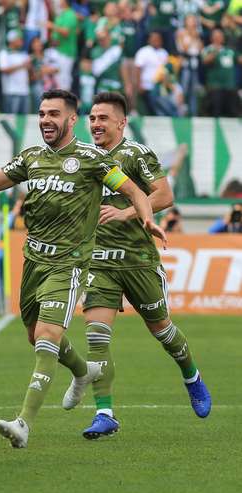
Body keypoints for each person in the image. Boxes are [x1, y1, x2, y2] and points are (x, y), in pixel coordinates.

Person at [0, 89, 167, 448]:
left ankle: (23, 423)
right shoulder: (30, 158)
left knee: (48, 337)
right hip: (34, 261)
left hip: (69, 264)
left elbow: (135, 192)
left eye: (53, 114)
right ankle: (83, 372)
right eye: (41, 113)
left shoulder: (92, 159)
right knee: (35, 335)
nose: (45, 120)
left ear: (71, 119)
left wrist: (146, 219)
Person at [74, 92, 211, 439]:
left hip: (138, 260)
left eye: (103, 118)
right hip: (100, 264)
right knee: (96, 335)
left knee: (163, 332)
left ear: (121, 122)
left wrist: (127, 212)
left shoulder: (135, 154)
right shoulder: (83, 158)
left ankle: (191, 376)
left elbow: (164, 195)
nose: (95, 124)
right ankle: (104, 413)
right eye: (92, 118)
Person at [135, 32, 177, 116]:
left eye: (157, 38)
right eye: (153, 38)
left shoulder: (164, 53)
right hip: (147, 86)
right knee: (149, 110)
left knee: (160, 109)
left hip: (160, 87)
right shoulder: (143, 51)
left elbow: (167, 70)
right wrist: (139, 84)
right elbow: (138, 69)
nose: (155, 40)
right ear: (149, 40)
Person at [201, 29, 241, 117]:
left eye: (220, 36)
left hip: (230, 86)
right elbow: (205, 61)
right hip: (215, 87)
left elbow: (239, 59)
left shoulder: (229, 50)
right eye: (216, 36)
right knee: (216, 111)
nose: (218, 38)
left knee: (234, 111)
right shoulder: (208, 49)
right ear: (212, 38)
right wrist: (216, 50)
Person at [45, 0, 77, 91]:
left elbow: (65, 32)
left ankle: (65, 101)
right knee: (56, 77)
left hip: (67, 52)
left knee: (64, 78)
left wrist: (51, 26)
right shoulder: (60, 14)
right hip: (57, 50)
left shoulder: (70, 14)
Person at [0, 30, 30, 114]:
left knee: (23, 121)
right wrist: (22, 65)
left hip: (24, 92)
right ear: (12, 40)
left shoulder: (24, 53)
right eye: (19, 39)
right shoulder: (4, 53)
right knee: (11, 120)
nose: (21, 41)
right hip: (11, 92)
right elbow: (3, 69)